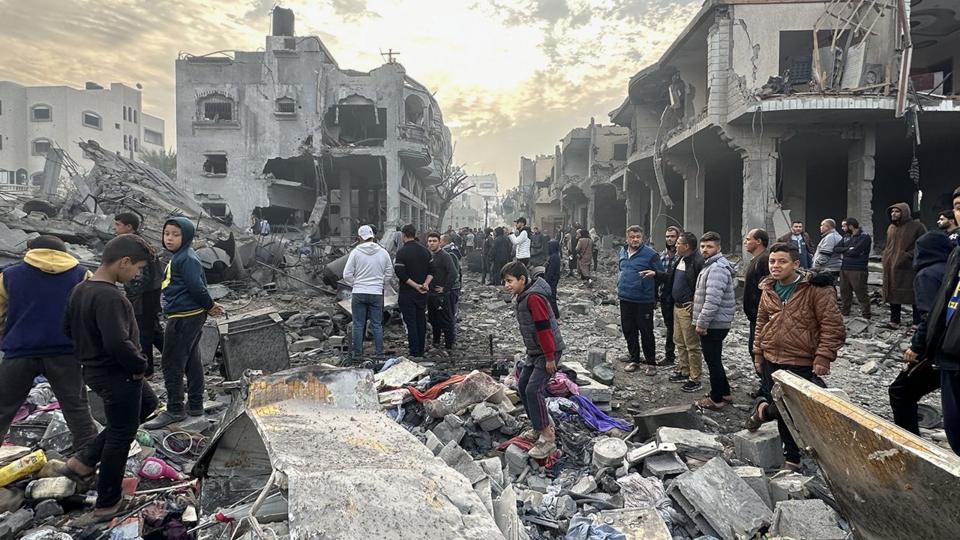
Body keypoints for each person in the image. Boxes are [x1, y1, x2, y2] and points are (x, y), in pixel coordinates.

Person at [61, 234, 161, 522]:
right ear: (124, 262)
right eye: (138, 268)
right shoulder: (110, 296)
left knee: (148, 403)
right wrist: (140, 364)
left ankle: (85, 459)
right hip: (118, 374)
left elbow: (67, 328)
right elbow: (118, 342)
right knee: (121, 433)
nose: (137, 274)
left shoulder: (82, 288)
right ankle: (108, 502)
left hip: (97, 370)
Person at [747, 242, 845, 469]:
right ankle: (791, 455)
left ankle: (787, 451)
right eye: (772, 261)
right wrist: (758, 353)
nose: (776, 266)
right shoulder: (768, 288)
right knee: (782, 407)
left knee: (789, 408)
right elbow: (761, 323)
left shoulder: (815, 290)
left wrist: (823, 356)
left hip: (800, 358)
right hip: (771, 356)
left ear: (796, 264)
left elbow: (832, 326)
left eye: (782, 261)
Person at [0, 236, 97, 451]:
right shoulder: (81, 275)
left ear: (32, 250)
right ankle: (89, 459)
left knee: (3, 408)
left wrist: (6, 338)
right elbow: (90, 313)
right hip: (65, 352)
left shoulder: (9, 276)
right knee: (76, 407)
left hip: (19, 351)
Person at [144, 217, 225, 429]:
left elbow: (197, 287)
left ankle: (175, 410)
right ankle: (196, 404)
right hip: (190, 315)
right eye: (167, 233)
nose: (169, 238)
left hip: (184, 316)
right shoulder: (181, 256)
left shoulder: (186, 258)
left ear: (186, 236)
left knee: (171, 363)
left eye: (175, 235)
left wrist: (209, 305)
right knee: (191, 359)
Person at [889, 231, 951, 435]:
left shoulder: (927, 275)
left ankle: (909, 446)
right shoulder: (952, 271)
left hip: (940, 349)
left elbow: (931, 316)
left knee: (900, 391)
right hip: (953, 345)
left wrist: (916, 347)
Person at [502, 261, 564, 459]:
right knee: (522, 386)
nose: (507, 285)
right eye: (504, 282)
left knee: (533, 389)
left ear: (522, 279)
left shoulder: (534, 298)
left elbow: (544, 330)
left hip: (548, 351)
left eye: (510, 281)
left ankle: (547, 438)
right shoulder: (523, 296)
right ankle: (538, 427)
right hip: (535, 351)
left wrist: (549, 358)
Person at [923, 187, 960, 455]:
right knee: (955, 429)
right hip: (948, 353)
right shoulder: (956, 252)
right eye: (958, 206)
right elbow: (941, 303)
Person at [114, 212, 164, 377]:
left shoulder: (135, 246)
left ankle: (147, 370)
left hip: (144, 296)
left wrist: (131, 296)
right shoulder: (137, 242)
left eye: (118, 225)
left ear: (129, 227)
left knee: (143, 332)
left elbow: (141, 276)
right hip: (150, 294)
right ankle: (179, 360)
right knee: (153, 330)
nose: (115, 228)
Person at [692, 231, 737, 410]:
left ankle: (716, 398)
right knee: (715, 359)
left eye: (709, 246)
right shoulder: (711, 265)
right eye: (702, 246)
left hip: (714, 323)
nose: (705, 249)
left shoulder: (717, 268)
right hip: (716, 322)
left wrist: (702, 323)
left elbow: (712, 300)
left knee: (713, 361)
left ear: (718, 248)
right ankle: (724, 392)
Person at [660, 232, 705, 391]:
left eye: (679, 243)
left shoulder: (697, 261)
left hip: (687, 308)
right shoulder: (679, 259)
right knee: (679, 340)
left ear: (687, 246)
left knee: (691, 344)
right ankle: (684, 370)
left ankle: (695, 378)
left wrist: (694, 302)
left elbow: (702, 285)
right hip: (676, 306)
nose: (675, 245)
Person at [343, 225, 394, 360]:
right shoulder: (383, 253)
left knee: (358, 324)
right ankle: (380, 354)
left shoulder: (355, 252)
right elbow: (390, 272)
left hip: (359, 293)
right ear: (373, 236)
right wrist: (381, 283)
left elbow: (347, 274)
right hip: (376, 293)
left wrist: (357, 284)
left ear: (359, 237)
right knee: (377, 324)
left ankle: (357, 355)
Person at [617, 225, 661, 375]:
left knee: (646, 331)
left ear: (642, 238)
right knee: (629, 330)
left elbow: (661, 274)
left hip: (643, 300)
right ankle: (634, 359)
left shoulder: (651, 254)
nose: (635, 240)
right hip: (625, 297)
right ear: (627, 238)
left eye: (638, 237)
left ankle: (651, 363)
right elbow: (621, 270)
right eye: (632, 237)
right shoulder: (622, 251)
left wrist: (654, 275)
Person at [882, 203, 926, 328]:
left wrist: (907, 255)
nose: (893, 214)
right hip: (891, 266)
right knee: (892, 293)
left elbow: (923, 244)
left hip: (908, 267)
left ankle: (917, 322)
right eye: (892, 211)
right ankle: (894, 321)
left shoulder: (917, 226)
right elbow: (889, 245)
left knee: (913, 293)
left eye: (897, 211)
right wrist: (886, 255)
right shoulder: (891, 227)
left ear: (905, 212)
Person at [394, 224, 434, 357]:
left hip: (407, 293)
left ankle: (414, 351)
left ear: (403, 235)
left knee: (410, 322)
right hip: (422, 293)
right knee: (421, 320)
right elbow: (432, 271)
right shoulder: (425, 251)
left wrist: (415, 285)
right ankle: (421, 350)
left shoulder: (401, 252)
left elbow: (401, 274)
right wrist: (425, 284)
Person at [742, 228, 770, 396]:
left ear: (758, 241)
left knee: (760, 352)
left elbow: (768, 290)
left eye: (748, 239)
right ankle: (765, 386)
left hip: (762, 318)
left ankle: (767, 390)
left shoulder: (764, 260)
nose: (746, 242)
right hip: (755, 317)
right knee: (755, 351)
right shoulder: (756, 260)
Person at [835, 218, 873, 318]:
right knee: (844, 291)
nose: (842, 228)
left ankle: (866, 314)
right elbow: (836, 249)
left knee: (861, 292)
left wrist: (848, 251)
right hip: (844, 268)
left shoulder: (864, 237)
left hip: (858, 269)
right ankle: (845, 312)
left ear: (851, 226)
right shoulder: (846, 236)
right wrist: (848, 249)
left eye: (844, 226)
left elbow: (855, 251)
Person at [657, 226, 682, 366]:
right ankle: (669, 355)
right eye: (667, 236)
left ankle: (681, 358)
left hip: (678, 298)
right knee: (669, 326)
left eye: (672, 236)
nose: (670, 239)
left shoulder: (683, 257)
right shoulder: (662, 256)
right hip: (665, 297)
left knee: (680, 328)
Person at [427, 232, 456, 351]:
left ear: (439, 242)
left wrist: (445, 288)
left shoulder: (445, 255)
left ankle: (449, 345)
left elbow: (453, 273)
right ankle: (436, 341)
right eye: (430, 241)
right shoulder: (430, 255)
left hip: (442, 295)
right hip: (431, 293)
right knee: (434, 319)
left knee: (446, 320)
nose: (432, 243)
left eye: (434, 241)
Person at [441, 234, 463, 339]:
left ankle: (451, 337)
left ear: (444, 241)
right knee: (453, 311)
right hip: (454, 286)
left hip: (452, 287)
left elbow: (453, 273)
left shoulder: (449, 254)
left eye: (439, 240)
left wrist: (446, 288)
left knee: (450, 313)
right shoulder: (453, 251)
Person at [544, 239, 562, 318]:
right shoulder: (555, 256)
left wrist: (546, 281)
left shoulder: (554, 257)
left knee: (552, 298)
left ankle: (556, 316)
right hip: (553, 280)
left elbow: (551, 271)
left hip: (552, 281)